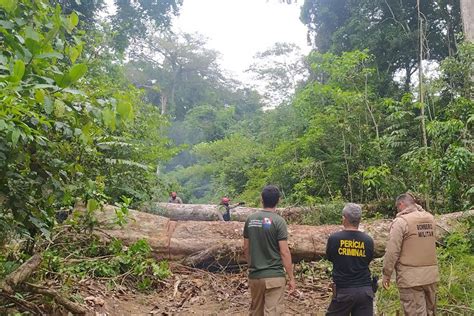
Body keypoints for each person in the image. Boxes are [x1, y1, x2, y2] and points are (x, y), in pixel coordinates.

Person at [382, 193, 439, 316]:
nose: (398, 210)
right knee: (431, 312)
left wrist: (387, 274)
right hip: (431, 276)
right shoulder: (430, 219)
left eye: (397, 207)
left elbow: (392, 251)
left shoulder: (401, 222)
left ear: (401, 204)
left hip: (410, 278)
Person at [243, 185, 296, 316]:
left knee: (256, 312)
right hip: (274, 276)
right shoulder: (279, 221)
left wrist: (252, 266)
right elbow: (284, 252)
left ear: (262, 199)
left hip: (255, 276)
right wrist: (291, 278)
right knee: (272, 312)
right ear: (279, 200)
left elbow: (246, 247)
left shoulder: (251, 219)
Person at [325, 203, 375, 316]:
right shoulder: (368, 240)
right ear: (359, 220)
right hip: (365, 291)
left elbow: (331, 258)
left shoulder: (334, 239)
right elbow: (368, 260)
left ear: (344, 218)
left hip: (344, 291)